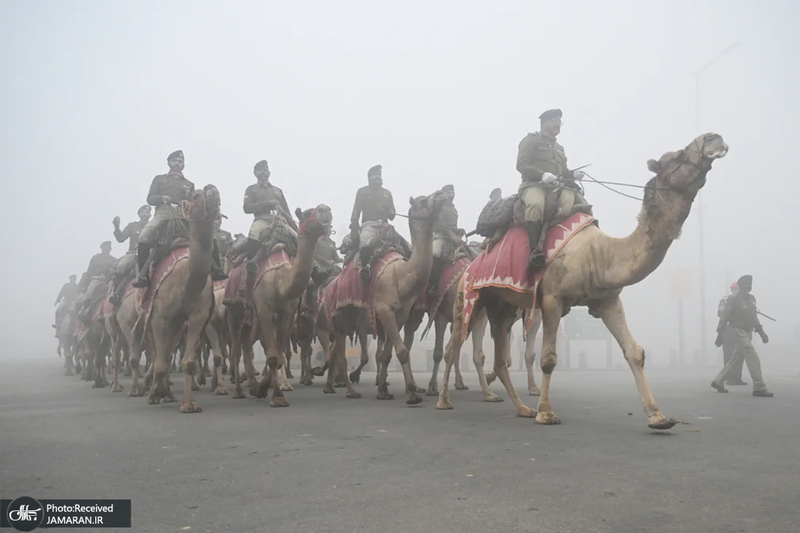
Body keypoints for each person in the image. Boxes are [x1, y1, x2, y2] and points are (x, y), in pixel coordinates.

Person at [133, 150, 227, 288]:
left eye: (180, 162)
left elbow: (194, 202)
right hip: (163, 214)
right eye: (174, 161)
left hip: (183, 216)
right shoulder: (160, 179)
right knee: (144, 236)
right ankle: (143, 276)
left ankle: (217, 270)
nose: (177, 164)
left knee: (210, 236)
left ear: (183, 164)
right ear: (169, 163)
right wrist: (161, 198)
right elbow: (150, 198)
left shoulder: (189, 184)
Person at [516, 109, 591, 272]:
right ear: (544, 123)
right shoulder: (531, 140)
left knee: (582, 204)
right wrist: (542, 175)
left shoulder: (559, 148)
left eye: (559, 122)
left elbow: (563, 172)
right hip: (534, 185)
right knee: (536, 205)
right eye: (554, 120)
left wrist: (572, 175)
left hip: (558, 186)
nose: (557, 124)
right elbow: (521, 165)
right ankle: (535, 251)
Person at [711, 275, 774, 397]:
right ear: (739, 287)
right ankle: (759, 386)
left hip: (748, 332)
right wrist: (720, 334)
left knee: (735, 359)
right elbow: (724, 317)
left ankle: (718, 381)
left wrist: (761, 332)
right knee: (752, 355)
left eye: (749, 286)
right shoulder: (732, 300)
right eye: (745, 287)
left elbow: (753, 316)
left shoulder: (751, 299)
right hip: (737, 331)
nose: (748, 289)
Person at [238, 159, 298, 267]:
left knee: (298, 239)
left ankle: (313, 271)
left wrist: (297, 229)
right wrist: (266, 204)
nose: (263, 172)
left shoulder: (277, 190)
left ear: (269, 173)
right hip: (262, 220)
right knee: (254, 233)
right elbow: (246, 208)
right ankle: (251, 265)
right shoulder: (251, 189)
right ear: (255, 173)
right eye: (260, 170)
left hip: (279, 220)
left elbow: (286, 212)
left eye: (265, 170)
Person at [350, 164, 396, 282]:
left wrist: (389, 211)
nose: (378, 177)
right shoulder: (362, 192)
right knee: (365, 245)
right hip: (369, 225)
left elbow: (392, 215)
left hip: (385, 226)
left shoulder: (387, 193)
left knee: (406, 247)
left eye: (379, 175)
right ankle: (365, 271)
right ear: (369, 177)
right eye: (375, 175)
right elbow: (356, 212)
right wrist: (354, 228)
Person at [108, 205, 151, 305]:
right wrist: (116, 228)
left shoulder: (153, 224)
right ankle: (116, 295)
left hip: (150, 252)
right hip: (133, 253)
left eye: (147, 212)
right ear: (139, 214)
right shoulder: (132, 226)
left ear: (150, 214)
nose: (145, 213)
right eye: (142, 212)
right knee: (121, 267)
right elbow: (121, 239)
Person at [427, 184, 464, 300]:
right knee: (436, 255)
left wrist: (458, 231)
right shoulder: (439, 207)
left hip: (454, 237)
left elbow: (452, 225)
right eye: (448, 192)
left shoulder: (453, 208)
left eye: (452, 192)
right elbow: (441, 224)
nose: (451, 194)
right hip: (440, 236)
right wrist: (452, 236)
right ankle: (432, 286)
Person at [76, 241, 117, 322]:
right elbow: (89, 271)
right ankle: (84, 310)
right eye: (106, 247)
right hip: (97, 279)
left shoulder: (114, 260)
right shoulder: (96, 258)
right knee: (90, 293)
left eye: (109, 247)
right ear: (102, 248)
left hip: (109, 280)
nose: (108, 248)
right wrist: (84, 285)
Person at [717, 282, 746, 385]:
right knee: (729, 354)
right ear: (732, 290)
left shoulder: (745, 300)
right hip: (729, 328)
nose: (737, 291)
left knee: (740, 354)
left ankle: (737, 377)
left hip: (742, 329)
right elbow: (720, 313)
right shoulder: (726, 300)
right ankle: (729, 378)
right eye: (735, 289)